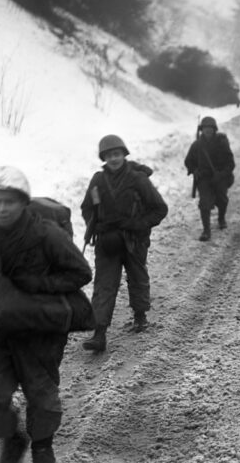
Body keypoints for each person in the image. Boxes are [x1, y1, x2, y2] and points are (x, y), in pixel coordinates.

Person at [0, 166, 93, 463]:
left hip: (38, 329)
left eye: (8, 202)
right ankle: (13, 438)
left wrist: (39, 284)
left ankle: (42, 446)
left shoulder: (46, 234)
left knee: (41, 395)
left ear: (23, 202)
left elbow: (81, 273)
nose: (1, 209)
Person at [81, 135, 168, 353]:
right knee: (104, 285)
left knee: (137, 277)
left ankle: (140, 316)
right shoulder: (98, 181)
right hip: (107, 241)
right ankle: (99, 333)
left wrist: (136, 224)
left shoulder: (138, 179)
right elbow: (87, 208)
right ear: (104, 157)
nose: (113, 158)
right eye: (109, 155)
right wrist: (95, 226)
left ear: (124, 154)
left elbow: (159, 209)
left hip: (134, 240)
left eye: (117, 154)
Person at [185, 116, 236, 241]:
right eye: (205, 128)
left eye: (210, 128)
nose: (208, 131)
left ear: (214, 129)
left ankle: (221, 219)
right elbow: (188, 161)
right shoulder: (197, 145)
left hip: (220, 176)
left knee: (222, 200)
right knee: (204, 203)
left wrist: (222, 174)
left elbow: (230, 163)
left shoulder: (221, 142)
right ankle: (206, 230)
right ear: (202, 129)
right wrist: (195, 170)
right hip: (204, 178)